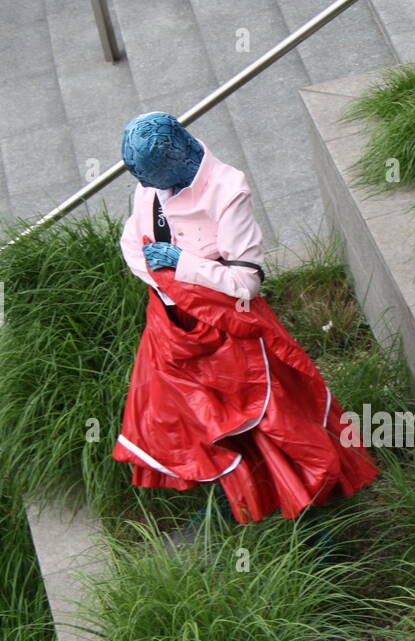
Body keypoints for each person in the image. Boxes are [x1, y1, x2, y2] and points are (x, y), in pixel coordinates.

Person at [112, 111, 379, 524]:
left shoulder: (226, 189)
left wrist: (181, 266)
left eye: (149, 176)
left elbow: (245, 284)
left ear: (174, 158)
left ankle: (307, 507)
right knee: (191, 415)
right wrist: (170, 281)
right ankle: (242, 493)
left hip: (230, 330)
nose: (144, 187)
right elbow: (134, 241)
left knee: (265, 415)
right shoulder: (151, 182)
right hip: (172, 326)